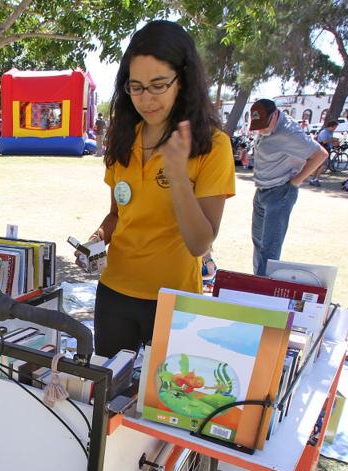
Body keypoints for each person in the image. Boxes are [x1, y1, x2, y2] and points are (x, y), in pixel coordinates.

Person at [85, 20, 235, 357]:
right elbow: (117, 214)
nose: (146, 99)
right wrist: (96, 240)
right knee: (108, 385)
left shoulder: (212, 145)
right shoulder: (124, 137)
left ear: (183, 80)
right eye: (136, 87)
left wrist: (178, 175)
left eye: (158, 85)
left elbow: (200, 243)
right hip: (115, 292)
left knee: (165, 392)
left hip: (174, 301)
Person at [248, 98, 327, 275]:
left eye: (263, 125)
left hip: (279, 192)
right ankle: (257, 281)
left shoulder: (289, 132)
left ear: (275, 115)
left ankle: (263, 288)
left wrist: (295, 181)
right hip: (262, 190)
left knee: (269, 249)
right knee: (258, 242)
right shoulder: (267, 127)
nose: (261, 130)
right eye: (257, 126)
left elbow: (320, 155)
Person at [309, 120, 338, 185]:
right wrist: (333, 139)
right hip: (323, 149)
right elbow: (324, 141)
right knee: (323, 165)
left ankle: (313, 179)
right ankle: (316, 179)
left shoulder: (330, 132)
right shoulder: (324, 132)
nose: (335, 129)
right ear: (331, 126)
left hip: (326, 149)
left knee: (318, 165)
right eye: (334, 127)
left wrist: (333, 142)